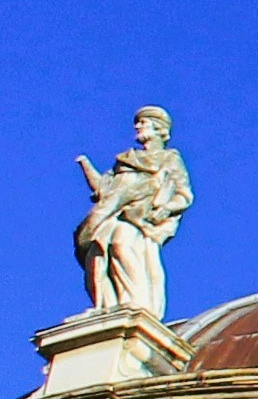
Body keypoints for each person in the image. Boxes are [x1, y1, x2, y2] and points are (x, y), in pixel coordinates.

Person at [71, 107, 190, 320]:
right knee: (98, 256)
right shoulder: (126, 159)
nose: (137, 127)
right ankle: (106, 305)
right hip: (112, 214)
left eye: (143, 123)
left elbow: (184, 195)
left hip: (138, 218)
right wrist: (85, 165)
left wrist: (165, 209)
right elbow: (104, 190)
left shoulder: (169, 159)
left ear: (158, 129)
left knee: (121, 245)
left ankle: (136, 302)